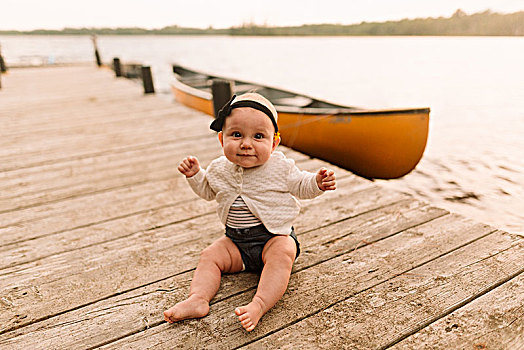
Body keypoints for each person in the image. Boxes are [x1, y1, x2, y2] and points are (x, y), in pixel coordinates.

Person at [164, 92, 336, 332]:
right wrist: (195, 175)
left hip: (272, 238)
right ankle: (198, 299)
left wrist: (317, 182)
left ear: (274, 143)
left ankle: (259, 304)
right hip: (236, 242)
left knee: (283, 252)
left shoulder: (280, 167)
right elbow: (207, 191)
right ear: (222, 139)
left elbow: (301, 185)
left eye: (258, 136)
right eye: (237, 135)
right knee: (210, 256)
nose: (246, 144)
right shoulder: (219, 168)